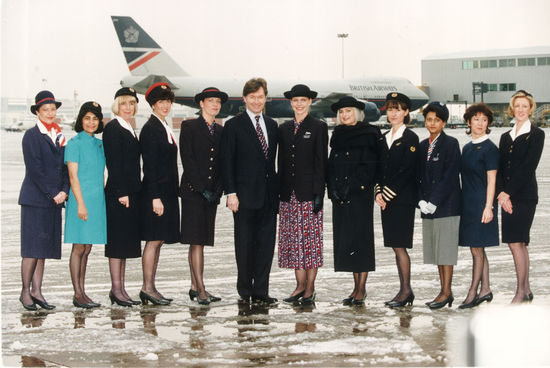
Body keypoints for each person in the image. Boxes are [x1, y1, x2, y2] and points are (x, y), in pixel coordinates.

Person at [220, 78, 278, 306]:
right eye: (252, 97)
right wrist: (230, 193)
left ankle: (261, 290)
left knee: (265, 245)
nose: (256, 101)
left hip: (268, 196)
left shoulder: (272, 125)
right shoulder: (233, 125)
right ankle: (245, 290)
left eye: (260, 97)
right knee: (244, 245)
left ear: (266, 98)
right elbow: (227, 161)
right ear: (244, 99)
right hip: (243, 197)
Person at [18, 90, 69, 310]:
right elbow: (35, 169)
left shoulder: (58, 135)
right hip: (36, 199)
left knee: (43, 249)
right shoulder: (31, 136)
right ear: (37, 112)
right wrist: (53, 193)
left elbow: (65, 168)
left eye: (53, 109)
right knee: (32, 249)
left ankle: (37, 291)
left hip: (54, 200)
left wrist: (64, 190)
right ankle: (24, 292)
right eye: (45, 109)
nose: (50, 113)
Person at [278, 84, 328, 305]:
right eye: (295, 100)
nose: (299, 104)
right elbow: (281, 162)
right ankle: (299, 286)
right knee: (293, 243)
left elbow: (321, 162)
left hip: (309, 194)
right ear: (291, 103)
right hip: (288, 194)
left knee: (310, 243)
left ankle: (310, 287)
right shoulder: (284, 128)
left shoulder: (318, 127)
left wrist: (319, 192)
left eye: (303, 100)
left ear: (310, 102)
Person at [328, 96, 380, 306]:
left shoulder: (369, 134)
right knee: (347, 242)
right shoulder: (338, 135)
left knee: (361, 242)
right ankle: (355, 286)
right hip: (340, 197)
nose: (344, 115)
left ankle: (361, 288)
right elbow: (331, 165)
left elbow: (370, 167)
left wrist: (352, 188)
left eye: (348, 111)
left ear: (357, 113)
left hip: (359, 196)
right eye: (341, 112)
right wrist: (333, 189)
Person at [180, 87, 228, 305]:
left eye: (218, 101)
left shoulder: (220, 131)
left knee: (200, 241)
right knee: (196, 241)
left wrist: (218, 188)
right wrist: (201, 188)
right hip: (193, 192)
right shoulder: (189, 126)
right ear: (201, 104)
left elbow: (222, 162)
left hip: (211, 194)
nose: (215, 105)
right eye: (210, 101)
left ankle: (194, 285)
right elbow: (187, 159)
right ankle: (201, 289)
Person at [496, 90, 544, 304]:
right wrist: (501, 194)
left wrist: (508, 193)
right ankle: (526, 289)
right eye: (518, 106)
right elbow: (499, 167)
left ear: (530, 109)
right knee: (517, 243)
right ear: (512, 109)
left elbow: (527, 167)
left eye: (525, 106)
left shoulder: (537, 134)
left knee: (517, 242)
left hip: (524, 196)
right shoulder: (505, 137)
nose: (521, 110)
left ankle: (520, 291)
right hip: (506, 197)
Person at [375, 92, 418, 307]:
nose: (393, 113)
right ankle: (403, 289)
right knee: (395, 246)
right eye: (390, 109)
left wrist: (387, 195)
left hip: (402, 201)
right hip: (386, 201)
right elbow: (378, 169)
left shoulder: (410, 138)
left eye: (398, 109)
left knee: (400, 246)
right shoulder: (383, 137)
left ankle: (406, 291)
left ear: (406, 112)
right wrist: (377, 193)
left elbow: (406, 171)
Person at [139, 82, 180, 305]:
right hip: (157, 193)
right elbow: (150, 166)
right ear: (153, 105)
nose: (165, 105)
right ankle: (147, 287)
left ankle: (151, 287)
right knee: (154, 240)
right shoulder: (151, 129)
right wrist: (155, 197)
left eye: (168, 101)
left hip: (166, 192)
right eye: (160, 102)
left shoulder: (164, 126)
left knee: (159, 240)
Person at [418, 101, 461, 309]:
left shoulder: (451, 144)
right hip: (428, 207)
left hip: (446, 205)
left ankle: (446, 292)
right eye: (429, 119)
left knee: (446, 252)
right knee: (437, 252)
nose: (432, 123)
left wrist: (434, 201)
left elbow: (450, 176)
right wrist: (421, 200)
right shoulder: (422, 145)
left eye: (436, 120)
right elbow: (417, 176)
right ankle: (444, 290)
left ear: (443, 122)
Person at [64, 101, 107, 309]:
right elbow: (73, 176)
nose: (91, 122)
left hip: (96, 201)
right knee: (78, 246)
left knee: (87, 247)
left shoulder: (99, 144)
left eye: (95, 118)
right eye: (87, 118)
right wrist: (80, 204)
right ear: (81, 120)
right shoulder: (74, 143)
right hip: (80, 201)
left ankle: (83, 291)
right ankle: (77, 293)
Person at [103, 87, 142, 307]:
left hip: (130, 193)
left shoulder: (128, 127)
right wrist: (122, 193)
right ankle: (116, 289)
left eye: (132, 103)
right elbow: (114, 163)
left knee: (125, 243)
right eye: (124, 103)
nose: (128, 107)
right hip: (119, 194)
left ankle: (121, 288)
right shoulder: (113, 128)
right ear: (117, 105)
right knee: (117, 244)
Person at [458, 103, 499, 309]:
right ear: (468, 122)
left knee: (476, 249)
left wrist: (489, 206)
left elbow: (492, 180)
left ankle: (473, 292)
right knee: (478, 248)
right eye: (476, 119)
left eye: (484, 120)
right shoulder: (466, 148)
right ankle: (486, 289)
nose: (480, 123)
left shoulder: (490, 149)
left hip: (483, 204)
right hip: (468, 204)